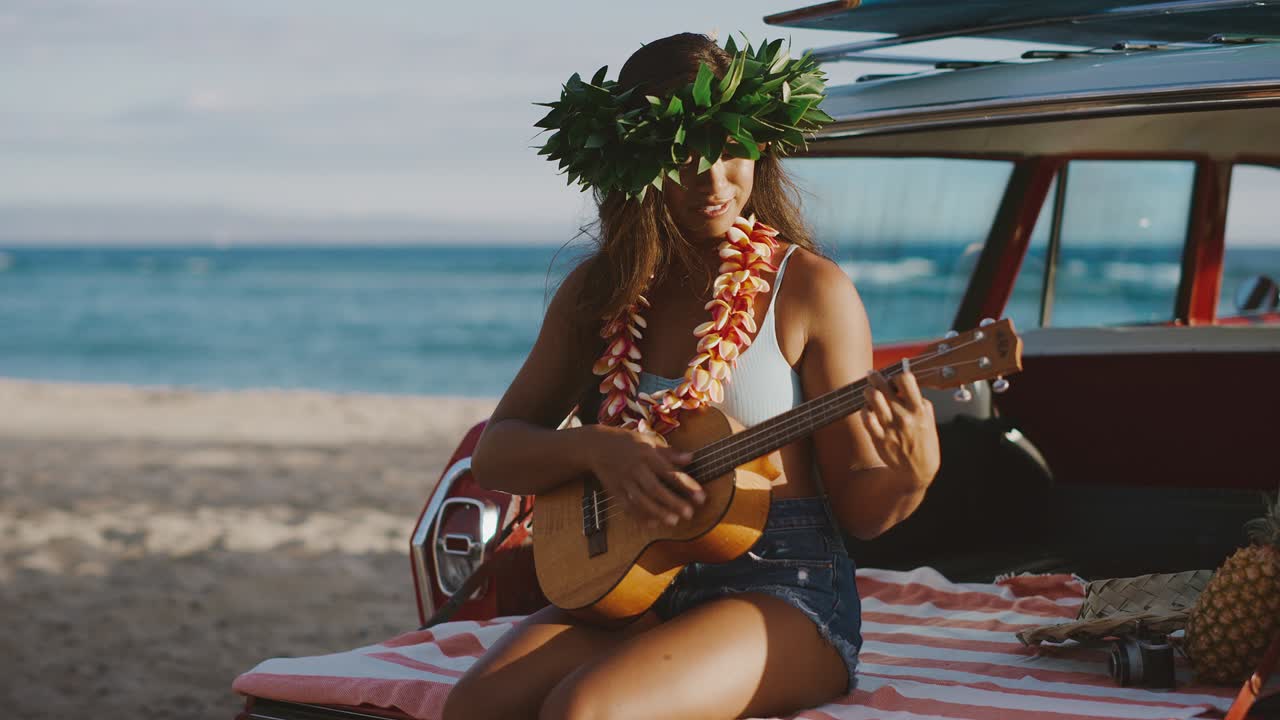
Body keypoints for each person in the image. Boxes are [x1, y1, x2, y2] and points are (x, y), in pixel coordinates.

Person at [443, 33, 941, 720]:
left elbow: (862, 510)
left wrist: (909, 477)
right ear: (635, 169)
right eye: (682, 158)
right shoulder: (602, 294)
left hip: (784, 590)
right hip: (630, 581)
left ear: (759, 148)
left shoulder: (809, 290)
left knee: (587, 711)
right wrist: (599, 448)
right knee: (476, 706)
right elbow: (498, 451)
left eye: (729, 150)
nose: (711, 181)